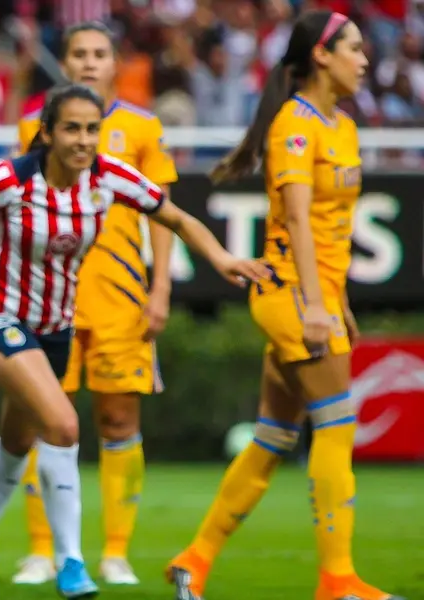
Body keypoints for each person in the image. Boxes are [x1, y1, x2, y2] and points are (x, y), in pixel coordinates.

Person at [0, 84, 270, 600]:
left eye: (92, 129)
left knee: (18, 441)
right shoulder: (6, 180)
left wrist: (223, 260)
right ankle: (72, 563)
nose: (83, 140)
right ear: (47, 133)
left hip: (54, 327)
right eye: (72, 128)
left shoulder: (108, 178)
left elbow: (174, 216)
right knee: (62, 425)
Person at [167, 12, 404, 600]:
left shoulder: (343, 125)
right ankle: (338, 581)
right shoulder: (294, 126)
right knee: (337, 427)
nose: (365, 58)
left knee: (274, 436)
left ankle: (193, 561)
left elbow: (332, 228)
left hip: (315, 294)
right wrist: (318, 306)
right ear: (321, 56)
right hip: (292, 296)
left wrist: (339, 297)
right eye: (354, 47)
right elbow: (295, 218)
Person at [13, 21, 177, 587]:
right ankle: (42, 549)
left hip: (121, 298)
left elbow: (162, 212)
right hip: (51, 294)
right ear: (66, 61)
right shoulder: (35, 125)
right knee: (47, 419)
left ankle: (115, 550)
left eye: (99, 53)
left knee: (117, 419)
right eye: (78, 53)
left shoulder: (142, 127)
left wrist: (160, 289)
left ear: (114, 63)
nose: (88, 62)